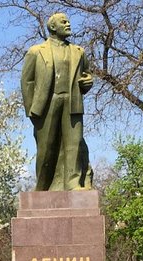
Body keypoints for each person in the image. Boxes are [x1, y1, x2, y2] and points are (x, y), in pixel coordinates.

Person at [21, 12, 94, 191]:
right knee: (46, 148)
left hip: (72, 102)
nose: (68, 24)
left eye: (69, 21)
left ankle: (73, 182)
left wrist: (88, 83)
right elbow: (27, 81)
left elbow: (86, 76)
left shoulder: (79, 52)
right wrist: (31, 109)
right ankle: (43, 186)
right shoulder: (36, 52)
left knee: (74, 145)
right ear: (53, 27)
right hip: (46, 105)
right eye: (64, 22)